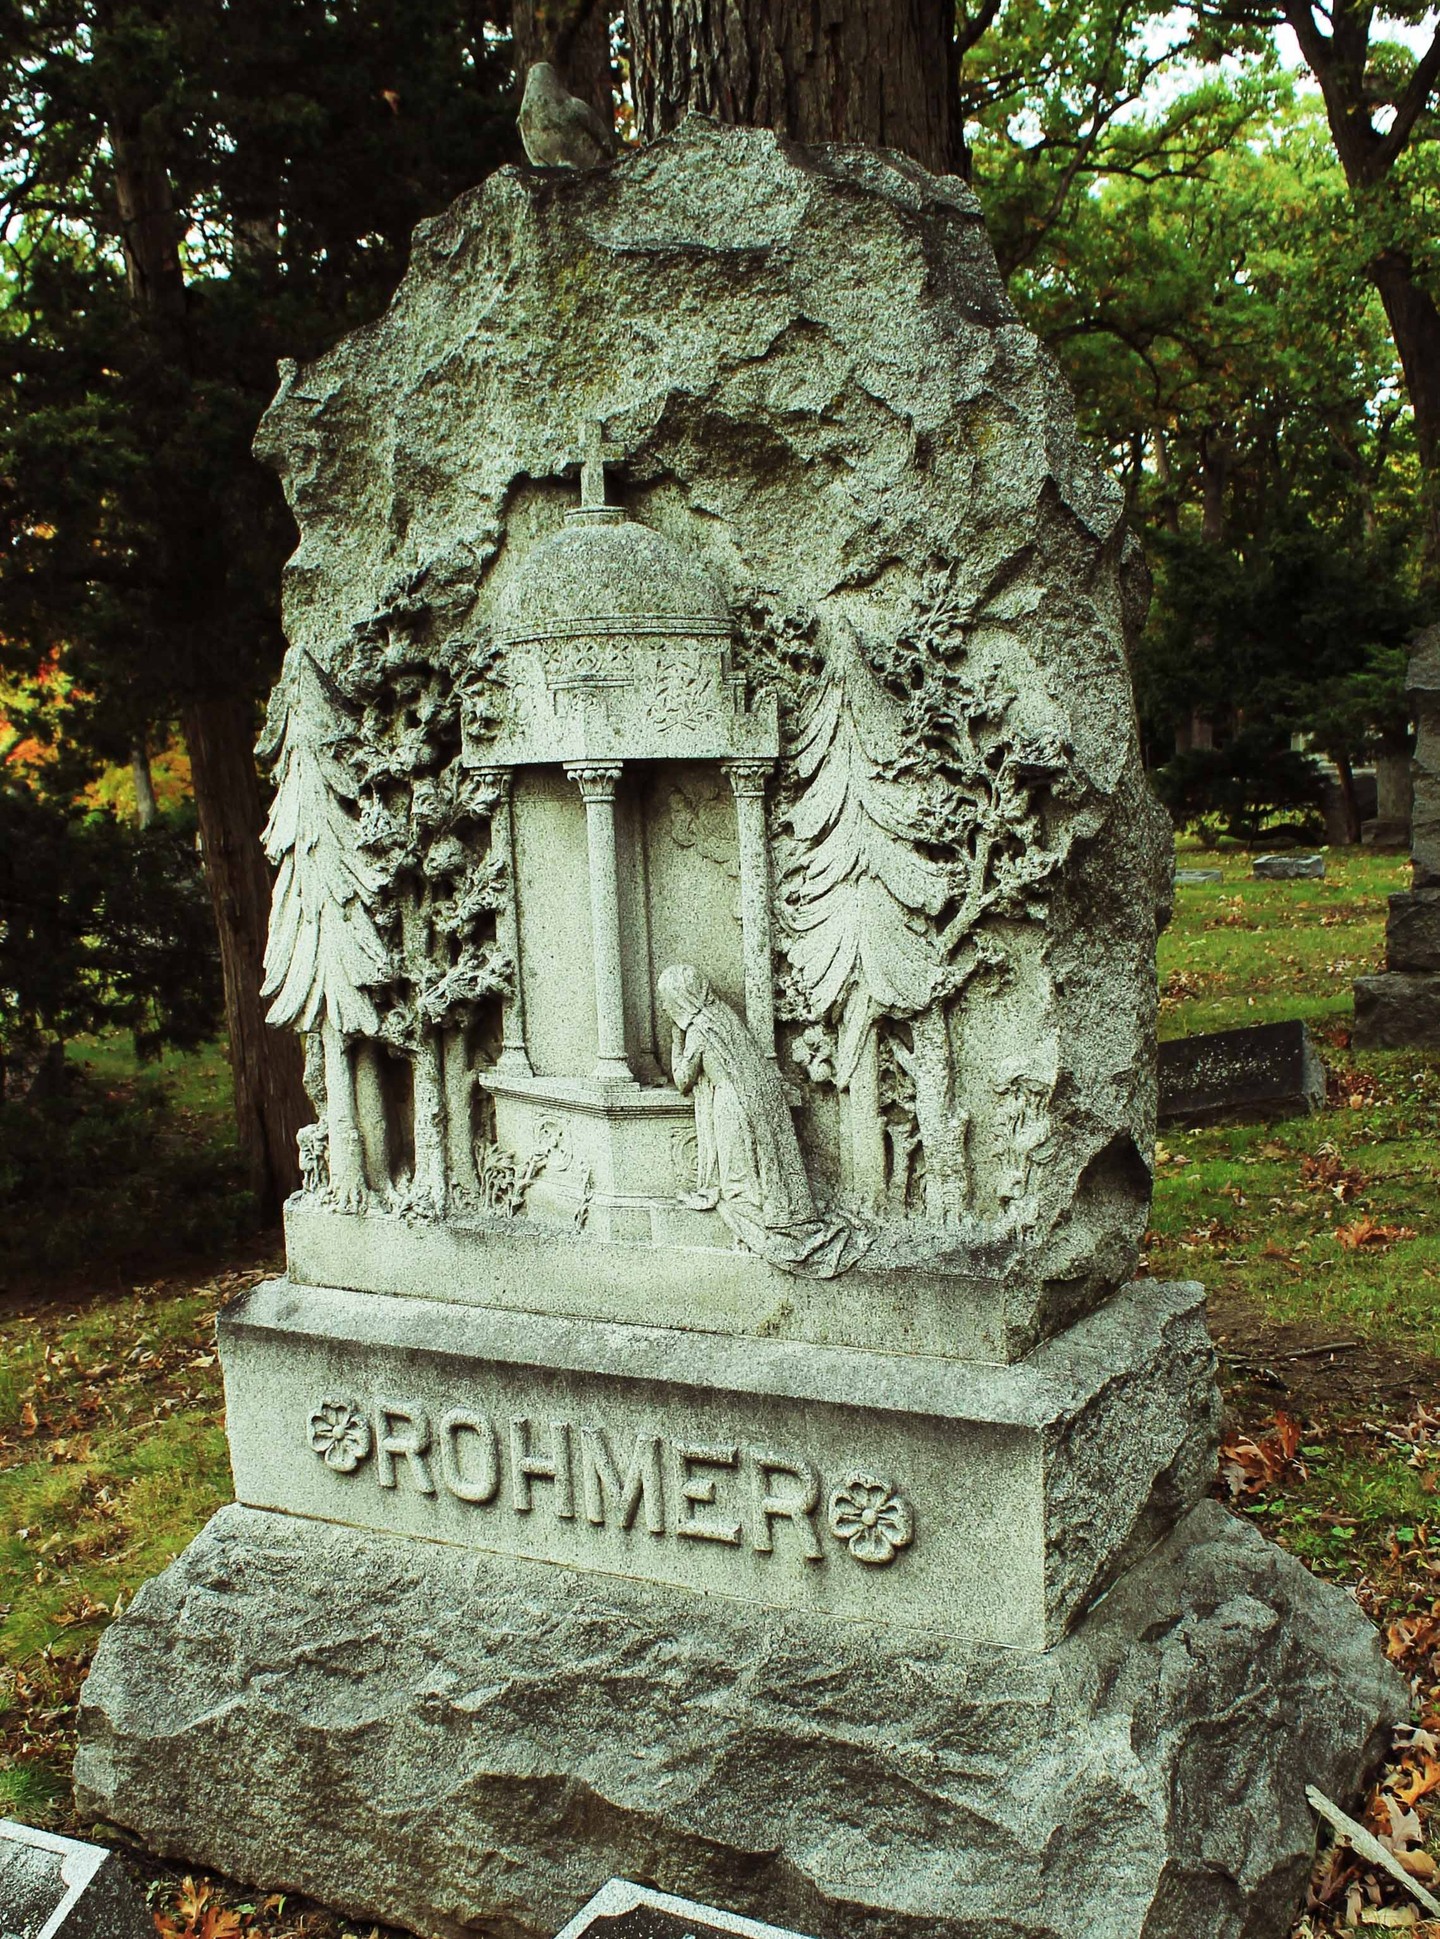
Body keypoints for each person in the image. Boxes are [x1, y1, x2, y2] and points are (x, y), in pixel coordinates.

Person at [656, 963, 862, 1278]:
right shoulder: (723, 1017)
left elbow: (683, 1080)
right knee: (749, 1174)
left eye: (667, 999)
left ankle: (756, 1233)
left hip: (731, 1105)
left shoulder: (697, 1029)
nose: (665, 1006)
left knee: (737, 1185)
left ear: (680, 998)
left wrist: (675, 1038)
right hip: (748, 1100)